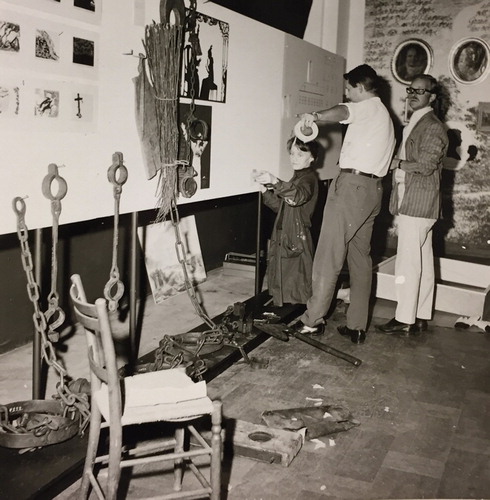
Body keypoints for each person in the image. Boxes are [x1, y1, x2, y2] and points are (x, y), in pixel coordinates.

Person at [286, 64, 395, 343]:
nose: (346, 93)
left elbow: (343, 111)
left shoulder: (367, 106)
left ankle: (312, 321)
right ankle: (357, 326)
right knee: (360, 259)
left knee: (328, 256)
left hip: (352, 188)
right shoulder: (385, 116)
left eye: (349, 89)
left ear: (360, 88)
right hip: (373, 190)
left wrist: (315, 116)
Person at [376, 74, 448, 336]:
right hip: (416, 202)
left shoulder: (432, 126)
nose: (414, 94)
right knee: (423, 262)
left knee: (407, 263)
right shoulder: (417, 122)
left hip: (418, 203)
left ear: (432, 96)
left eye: (422, 90)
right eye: (412, 90)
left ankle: (404, 318)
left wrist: (396, 163)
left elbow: (427, 166)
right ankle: (419, 315)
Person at [253, 136, 320, 307]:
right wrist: (264, 191)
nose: (294, 158)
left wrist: (275, 181)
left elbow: (297, 197)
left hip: (297, 234)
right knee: (289, 280)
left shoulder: (309, 179)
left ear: (312, 157)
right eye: (292, 154)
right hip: (285, 232)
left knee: (300, 282)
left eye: (300, 154)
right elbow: (282, 206)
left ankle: (332, 300)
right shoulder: (296, 178)